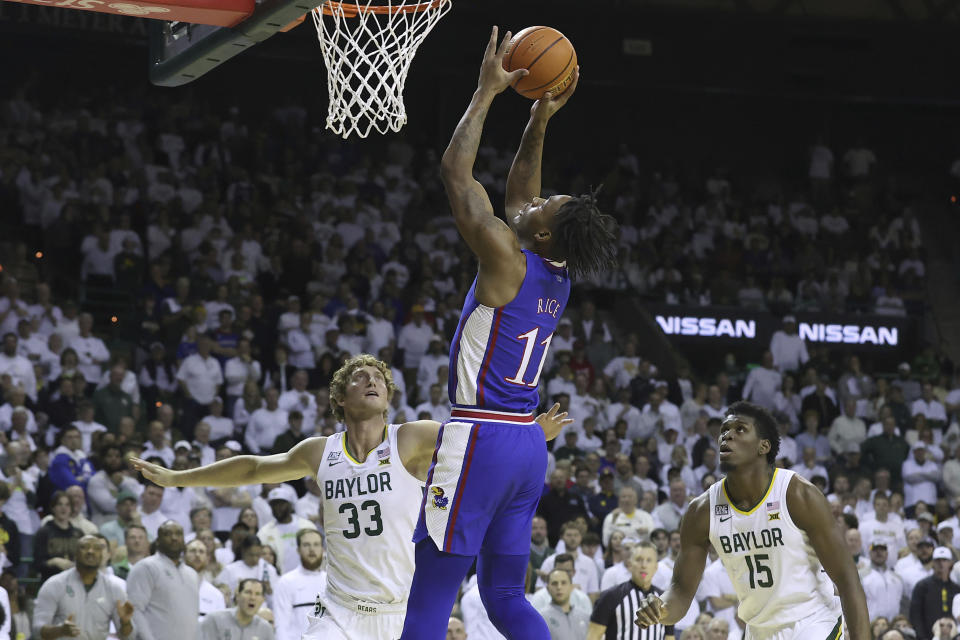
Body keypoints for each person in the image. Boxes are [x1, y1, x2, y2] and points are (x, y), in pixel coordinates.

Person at [399, 24, 617, 639]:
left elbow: (455, 173)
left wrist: (487, 90)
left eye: (546, 207)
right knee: (502, 597)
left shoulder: (504, 256)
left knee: (431, 592)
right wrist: (540, 117)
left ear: (541, 232)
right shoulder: (555, 268)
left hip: (482, 438)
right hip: (526, 445)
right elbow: (523, 192)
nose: (536, 201)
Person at [131, 354, 571, 640]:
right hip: (339, 614)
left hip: (404, 613)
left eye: (378, 376)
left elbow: (479, 442)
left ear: (388, 396)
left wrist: (532, 434)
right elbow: (254, 467)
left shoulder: (412, 439)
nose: (371, 380)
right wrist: (177, 479)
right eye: (359, 377)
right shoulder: (319, 452)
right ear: (340, 397)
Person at [634, 401, 870, 639]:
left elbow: (848, 580)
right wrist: (661, 609)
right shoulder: (702, 511)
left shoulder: (797, 494)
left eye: (740, 429)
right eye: (724, 430)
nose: (727, 436)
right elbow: (681, 593)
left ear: (763, 446)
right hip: (758, 630)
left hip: (812, 622)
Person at [33, 534, 135, 639]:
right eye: (84, 547)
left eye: (96, 548)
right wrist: (60, 631)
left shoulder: (114, 588)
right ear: (75, 554)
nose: (90, 551)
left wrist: (125, 622)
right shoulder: (54, 584)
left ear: (102, 556)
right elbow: (37, 630)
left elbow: (128, 637)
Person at [126, 520, 200, 640]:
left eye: (178, 534)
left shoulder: (192, 574)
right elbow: (134, 610)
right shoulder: (145, 567)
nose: (174, 538)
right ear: (158, 541)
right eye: (167, 534)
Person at [590, 542, 674, 640]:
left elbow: (669, 637)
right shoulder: (610, 597)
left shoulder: (664, 600)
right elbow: (593, 636)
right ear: (630, 564)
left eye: (649, 560)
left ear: (656, 567)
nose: (644, 565)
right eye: (639, 560)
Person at [273, 529, 327, 640]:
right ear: (298, 550)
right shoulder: (286, 582)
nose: (312, 549)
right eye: (306, 545)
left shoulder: (331, 582)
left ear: (323, 549)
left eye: (316, 544)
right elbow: (281, 625)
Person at [909, 546, 960, 640]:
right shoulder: (922, 586)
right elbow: (915, 615)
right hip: (928, 636)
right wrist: (922, 637)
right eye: (937, 560)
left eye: (944, 560)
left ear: (950, 563)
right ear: (932, 563)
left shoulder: (956, 589)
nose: (941, 563)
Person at [200, 578, 275, 640]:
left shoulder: (265, 629)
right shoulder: (214, 620)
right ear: (238, 596)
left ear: (263, 600)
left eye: (257, 594)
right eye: (248, 592)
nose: (253, 598)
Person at [536, 568, 591, 640]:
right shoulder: (540, 619)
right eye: (554, 583)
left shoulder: (585, 617)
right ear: (548, 589)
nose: (559, 587)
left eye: (563, 583)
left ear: (571, 587)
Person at [184, 537, 228, 620]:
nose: (197, 555)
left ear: (208, 559)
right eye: (193, 551)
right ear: (184, 556)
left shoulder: (216, 595)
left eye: (201, 552)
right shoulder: (172, 588)